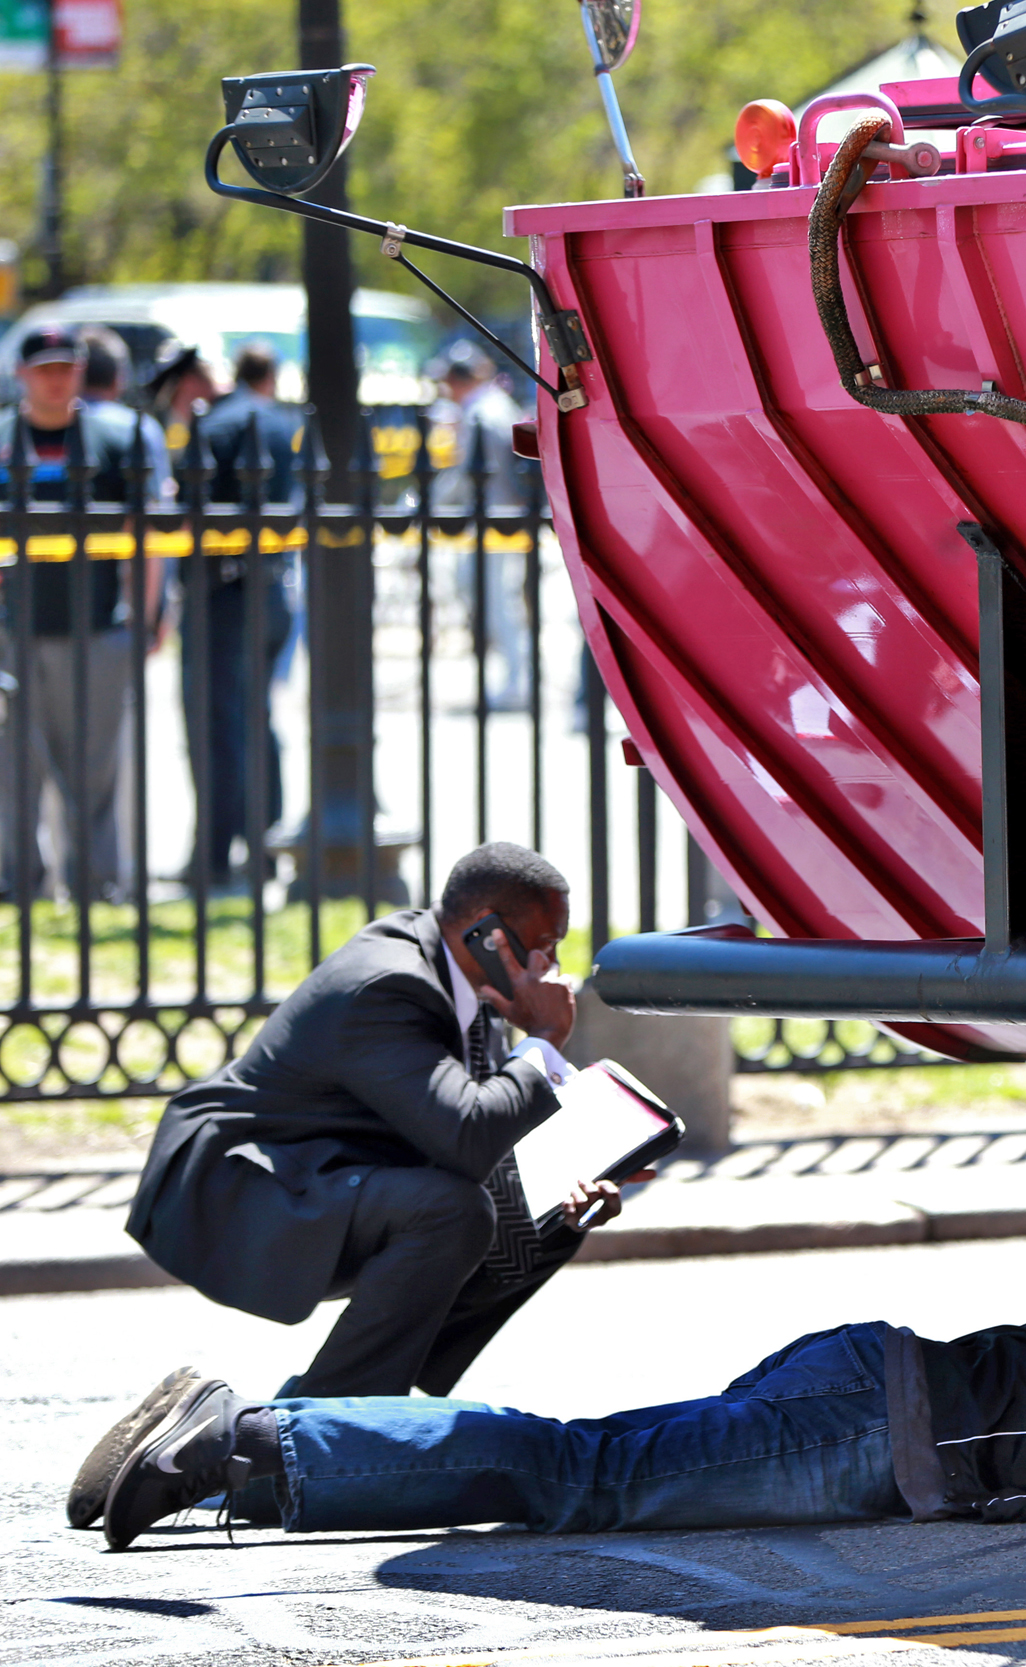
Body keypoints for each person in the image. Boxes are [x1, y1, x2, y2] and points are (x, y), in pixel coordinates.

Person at [86, 1242, 1026, 1550]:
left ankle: (250, 1440)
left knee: (607, 1459)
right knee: (580, 1477)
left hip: (865, 1379)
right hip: (867, 1433)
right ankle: (252, 1443)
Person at [100, 844, 630, 1503]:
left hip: (325, 1173)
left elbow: (472, 1125)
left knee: (542, 1216)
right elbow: (466, 1135)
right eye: (545, 946)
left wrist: (568, 1179)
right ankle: (275, 1461)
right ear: (491, 935)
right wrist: (544, 1041)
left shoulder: (465, 980)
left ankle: (273, 1436)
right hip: (241, 1185)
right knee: (450, 1209)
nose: (554, 968)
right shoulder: (390, 984)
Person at [0, 325, 169, 903]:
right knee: (11, 767)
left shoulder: (115, 440)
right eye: (44, 367)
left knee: (95, 770)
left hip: (96, 628)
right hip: (11, 630)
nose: (57, 377)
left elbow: (148, 537)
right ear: (21, 374)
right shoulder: (2, 437)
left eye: (66, 365)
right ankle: (19, 885)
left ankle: (98, 885)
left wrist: (143, 621)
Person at [182, 343, 299, 887]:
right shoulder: (281, 423)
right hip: (273, 589)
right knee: (257, 720)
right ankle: (266, 841)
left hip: (223, 594)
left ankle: (215, 854)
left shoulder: (218, 425)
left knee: (220, 726)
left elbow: (188, 508)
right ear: (270, 377)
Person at [425, 340, 533, 712]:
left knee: (495, 602)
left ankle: (517, 682)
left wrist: (431, 504)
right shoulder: (494, 405)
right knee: (497, 600)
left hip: (495, 520)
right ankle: (517, 678)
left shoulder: (480, 413)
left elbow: (465, 474)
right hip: (502, 517)